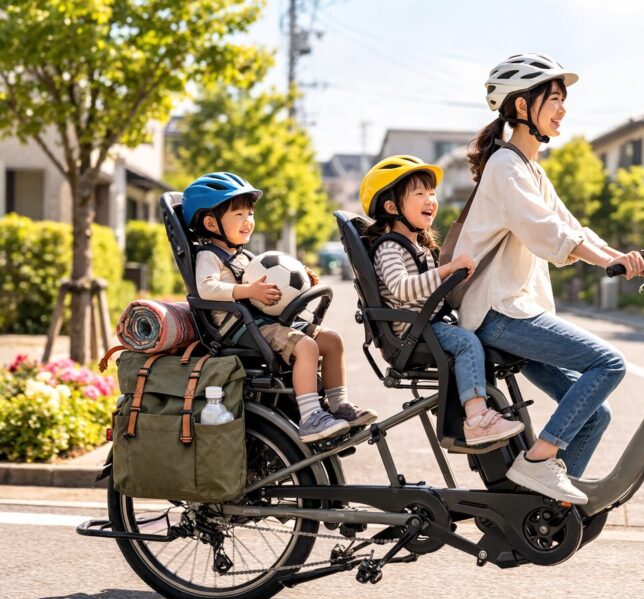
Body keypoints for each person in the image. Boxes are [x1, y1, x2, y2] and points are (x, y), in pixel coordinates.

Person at [453, 53, 644, 505]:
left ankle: (541, 513)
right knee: (609, 364)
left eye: (563, 100)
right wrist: (605, 263)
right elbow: (550, 234)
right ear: (522, 108)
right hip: (497, 313)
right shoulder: (506, 167)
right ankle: (538, 463)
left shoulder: (529, 169)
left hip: (516, 313)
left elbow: (573, 228)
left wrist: (626, 258)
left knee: (595, 416)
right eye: (553, 99)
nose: (562, 109)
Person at [183, 172, 377, 443]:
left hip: (264, 322)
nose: (248, 221)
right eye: (238, 215)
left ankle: (338, 405)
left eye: (250, 214)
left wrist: (299, 281)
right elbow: (205, 289)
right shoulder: (209, 256)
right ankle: (310, 417)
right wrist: (247, 291)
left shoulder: (245, 256)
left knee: (332, 341)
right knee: (306, 346)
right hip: (241, 328)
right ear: (210, 223)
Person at [360, 155, 525, 447]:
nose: (430, 200)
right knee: (466, 343)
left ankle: (479, 409)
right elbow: (401, 289)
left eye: (432, 193)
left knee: (475, 336)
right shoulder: (389, 247)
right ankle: (476, 417)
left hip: (425, 326)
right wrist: (445, 270)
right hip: (412, 332)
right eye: (420, 193)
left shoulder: (416, 246)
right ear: (391, 207)